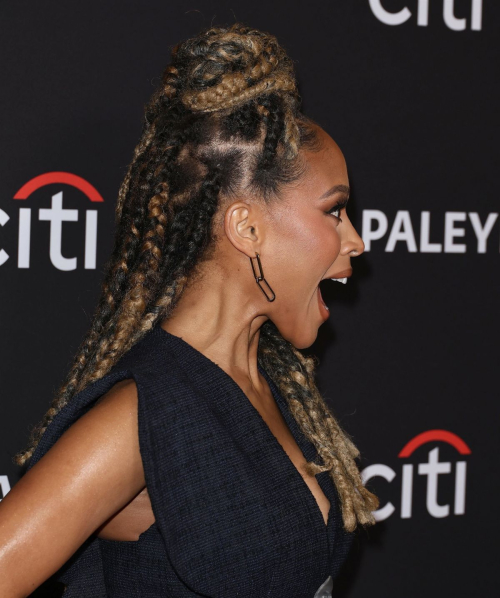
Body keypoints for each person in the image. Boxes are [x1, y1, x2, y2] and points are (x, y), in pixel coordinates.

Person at [0, 22, 379, 597]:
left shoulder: (267, 381)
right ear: (246, 226)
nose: (356, 241)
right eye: (335, 212)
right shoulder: (142, 413)